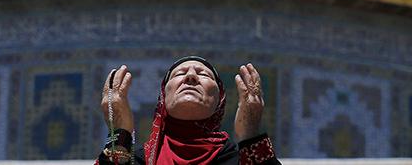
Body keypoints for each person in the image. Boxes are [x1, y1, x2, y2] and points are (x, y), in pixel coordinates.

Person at [96, 56, 279, 165]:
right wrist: (120, 132)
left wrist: (250, 136)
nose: (191, 76)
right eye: (180, 74)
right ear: (163, 98)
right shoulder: (139, 160)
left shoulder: (239, 160)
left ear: (220, 100)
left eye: (203, 74)